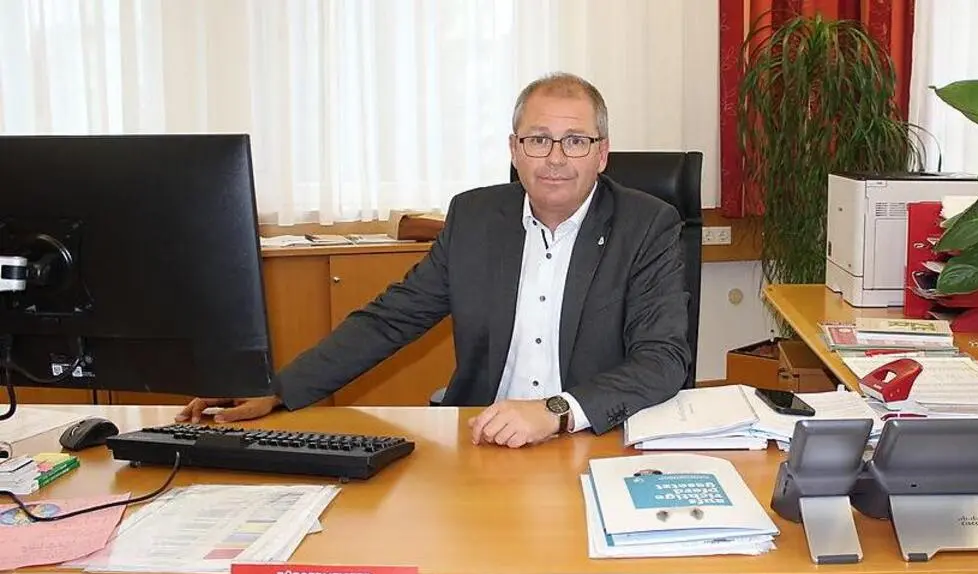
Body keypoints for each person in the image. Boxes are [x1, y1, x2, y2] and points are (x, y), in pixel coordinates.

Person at [176, 72, 692, 448]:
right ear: (514, 149)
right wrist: (277, 389)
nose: (555, 157)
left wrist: (555, 412)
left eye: (575, 141)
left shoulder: (647, 225)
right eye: (538, 140)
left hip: (594, 439)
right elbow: (390, 319)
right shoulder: (474, 218)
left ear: (602, 154)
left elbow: (662, 359)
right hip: (483, 440)